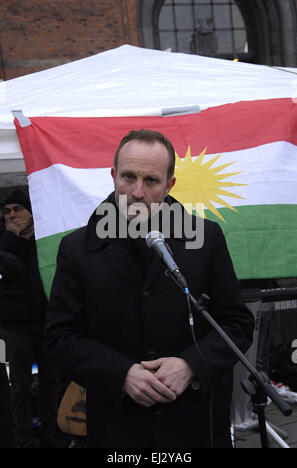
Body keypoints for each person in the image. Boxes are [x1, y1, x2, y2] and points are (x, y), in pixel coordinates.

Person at [45, 129, 254, 448]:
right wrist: (121, 374)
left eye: (151, 181)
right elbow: (60, 337)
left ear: (169, 184)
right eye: (128, 177)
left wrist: (190, 364)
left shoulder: (206, 239)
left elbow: (236, 325)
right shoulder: (76, 249)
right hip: (118, 427)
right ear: (113, 176)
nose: (137, 191)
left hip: (194, 425)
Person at [0, 190, 59, 448]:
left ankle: (52, 433)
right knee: (19, 388)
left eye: (17, 209)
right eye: (7, 211)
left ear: (31, 212)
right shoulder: (3, 242)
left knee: (51, 383)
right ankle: (24, 438)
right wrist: (10, 237)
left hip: (47, 323)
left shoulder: (46, 241)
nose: (12, 215)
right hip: (15, 327)